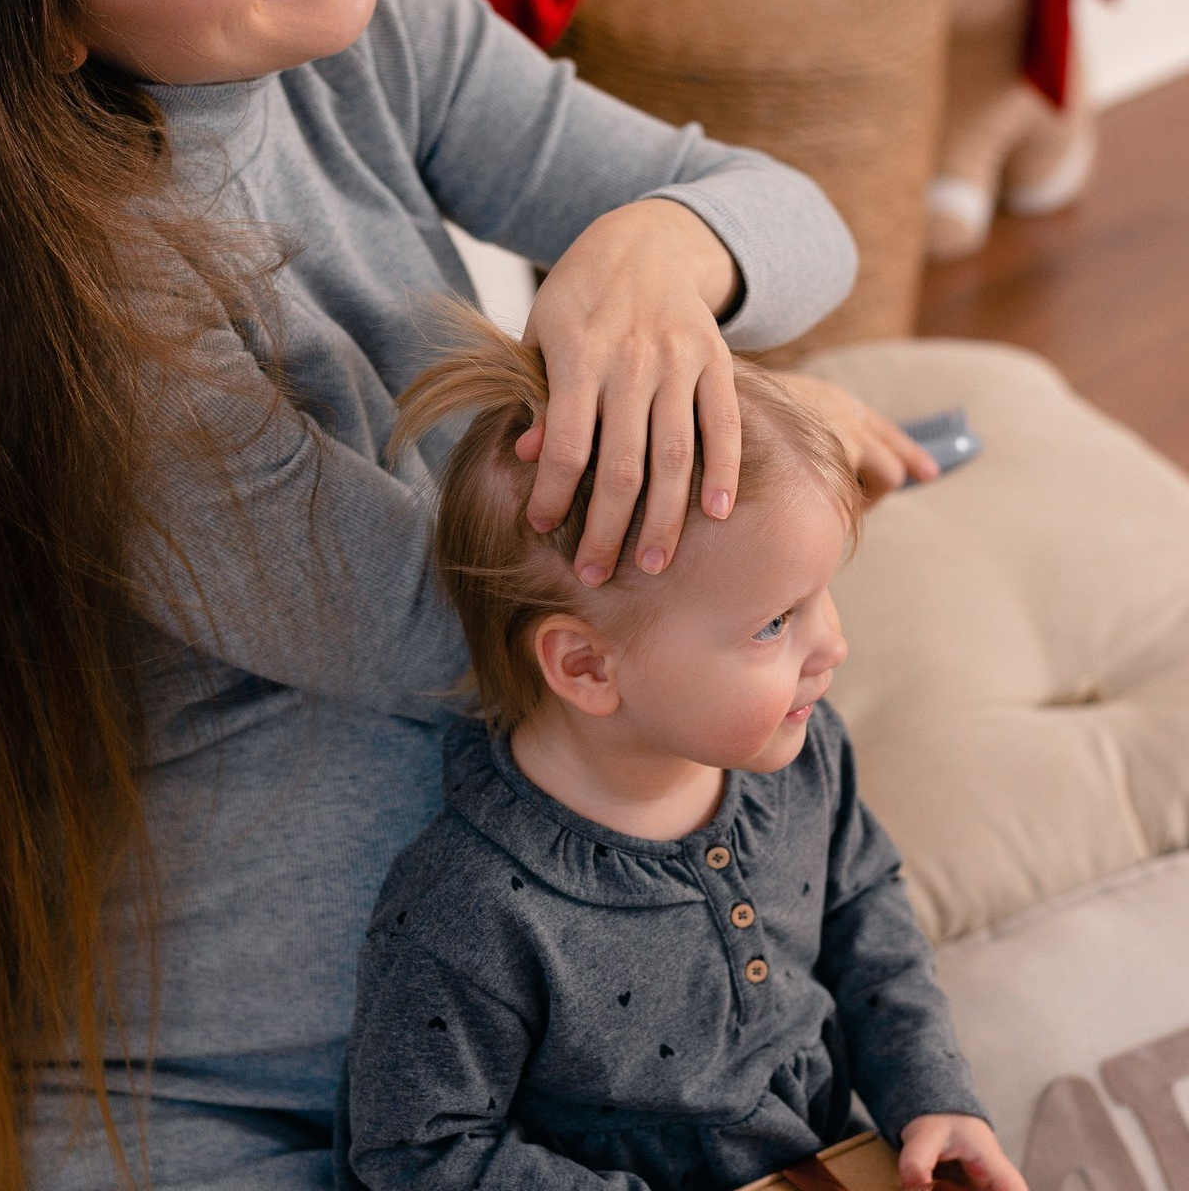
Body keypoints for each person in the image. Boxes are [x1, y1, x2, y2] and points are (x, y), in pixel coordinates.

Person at [0, 0, 938, 1188]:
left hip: (541, 1059)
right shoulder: (67, 297)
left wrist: (654, 251)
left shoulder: (367, 30)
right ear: (37, 15)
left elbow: (800, 224)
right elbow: (455, 625)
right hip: (225, 1090)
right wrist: (784, 450)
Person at [347, 305, 1026, 1191]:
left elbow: (864, 909)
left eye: (821, 596)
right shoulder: (468, 911)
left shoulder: (803, 753)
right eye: (774, 623)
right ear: (587, 666)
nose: (832, 646)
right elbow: (416, 1149)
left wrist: (931, 1095)